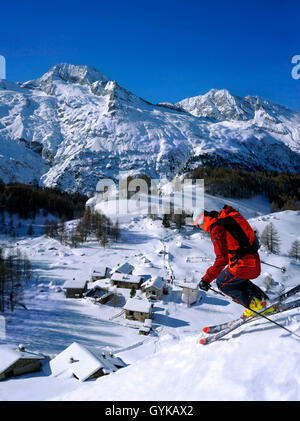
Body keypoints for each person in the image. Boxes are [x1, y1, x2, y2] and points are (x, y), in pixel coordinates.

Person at [193, 205, 274, 318]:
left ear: (201, 221)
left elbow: (222, 259)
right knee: (236, 281)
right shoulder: (225, 218)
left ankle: (254, 306)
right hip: (254, 263)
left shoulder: (216, 229)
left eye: (198, 226)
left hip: (243, 266)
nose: (199, 228)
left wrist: (206, 279)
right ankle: (263, 300)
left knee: (222, 282)